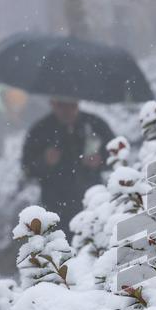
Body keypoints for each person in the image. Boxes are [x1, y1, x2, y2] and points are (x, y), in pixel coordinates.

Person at [21, 99, 114, 238]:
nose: (67, 111)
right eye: (61, 105)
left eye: (72, 105)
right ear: (52, 104)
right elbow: (27, 168)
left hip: (92, 202)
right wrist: (44, 161)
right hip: (55, 208)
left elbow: (115, 154)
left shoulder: (94, 124)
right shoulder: (41, 130)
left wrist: (100, 160)